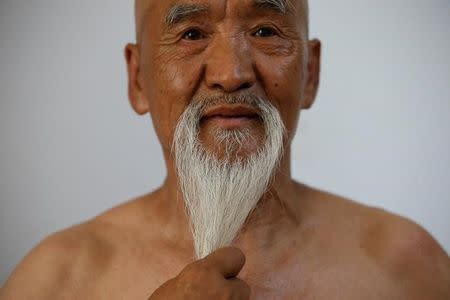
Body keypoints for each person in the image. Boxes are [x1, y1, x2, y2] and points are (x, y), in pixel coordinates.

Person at [1, 0, 449, 299]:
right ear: (138, 79)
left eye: (265, 29)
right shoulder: (56, 282)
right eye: (192, 34)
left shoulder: (407, 269)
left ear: (310, 73)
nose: (231, 73)